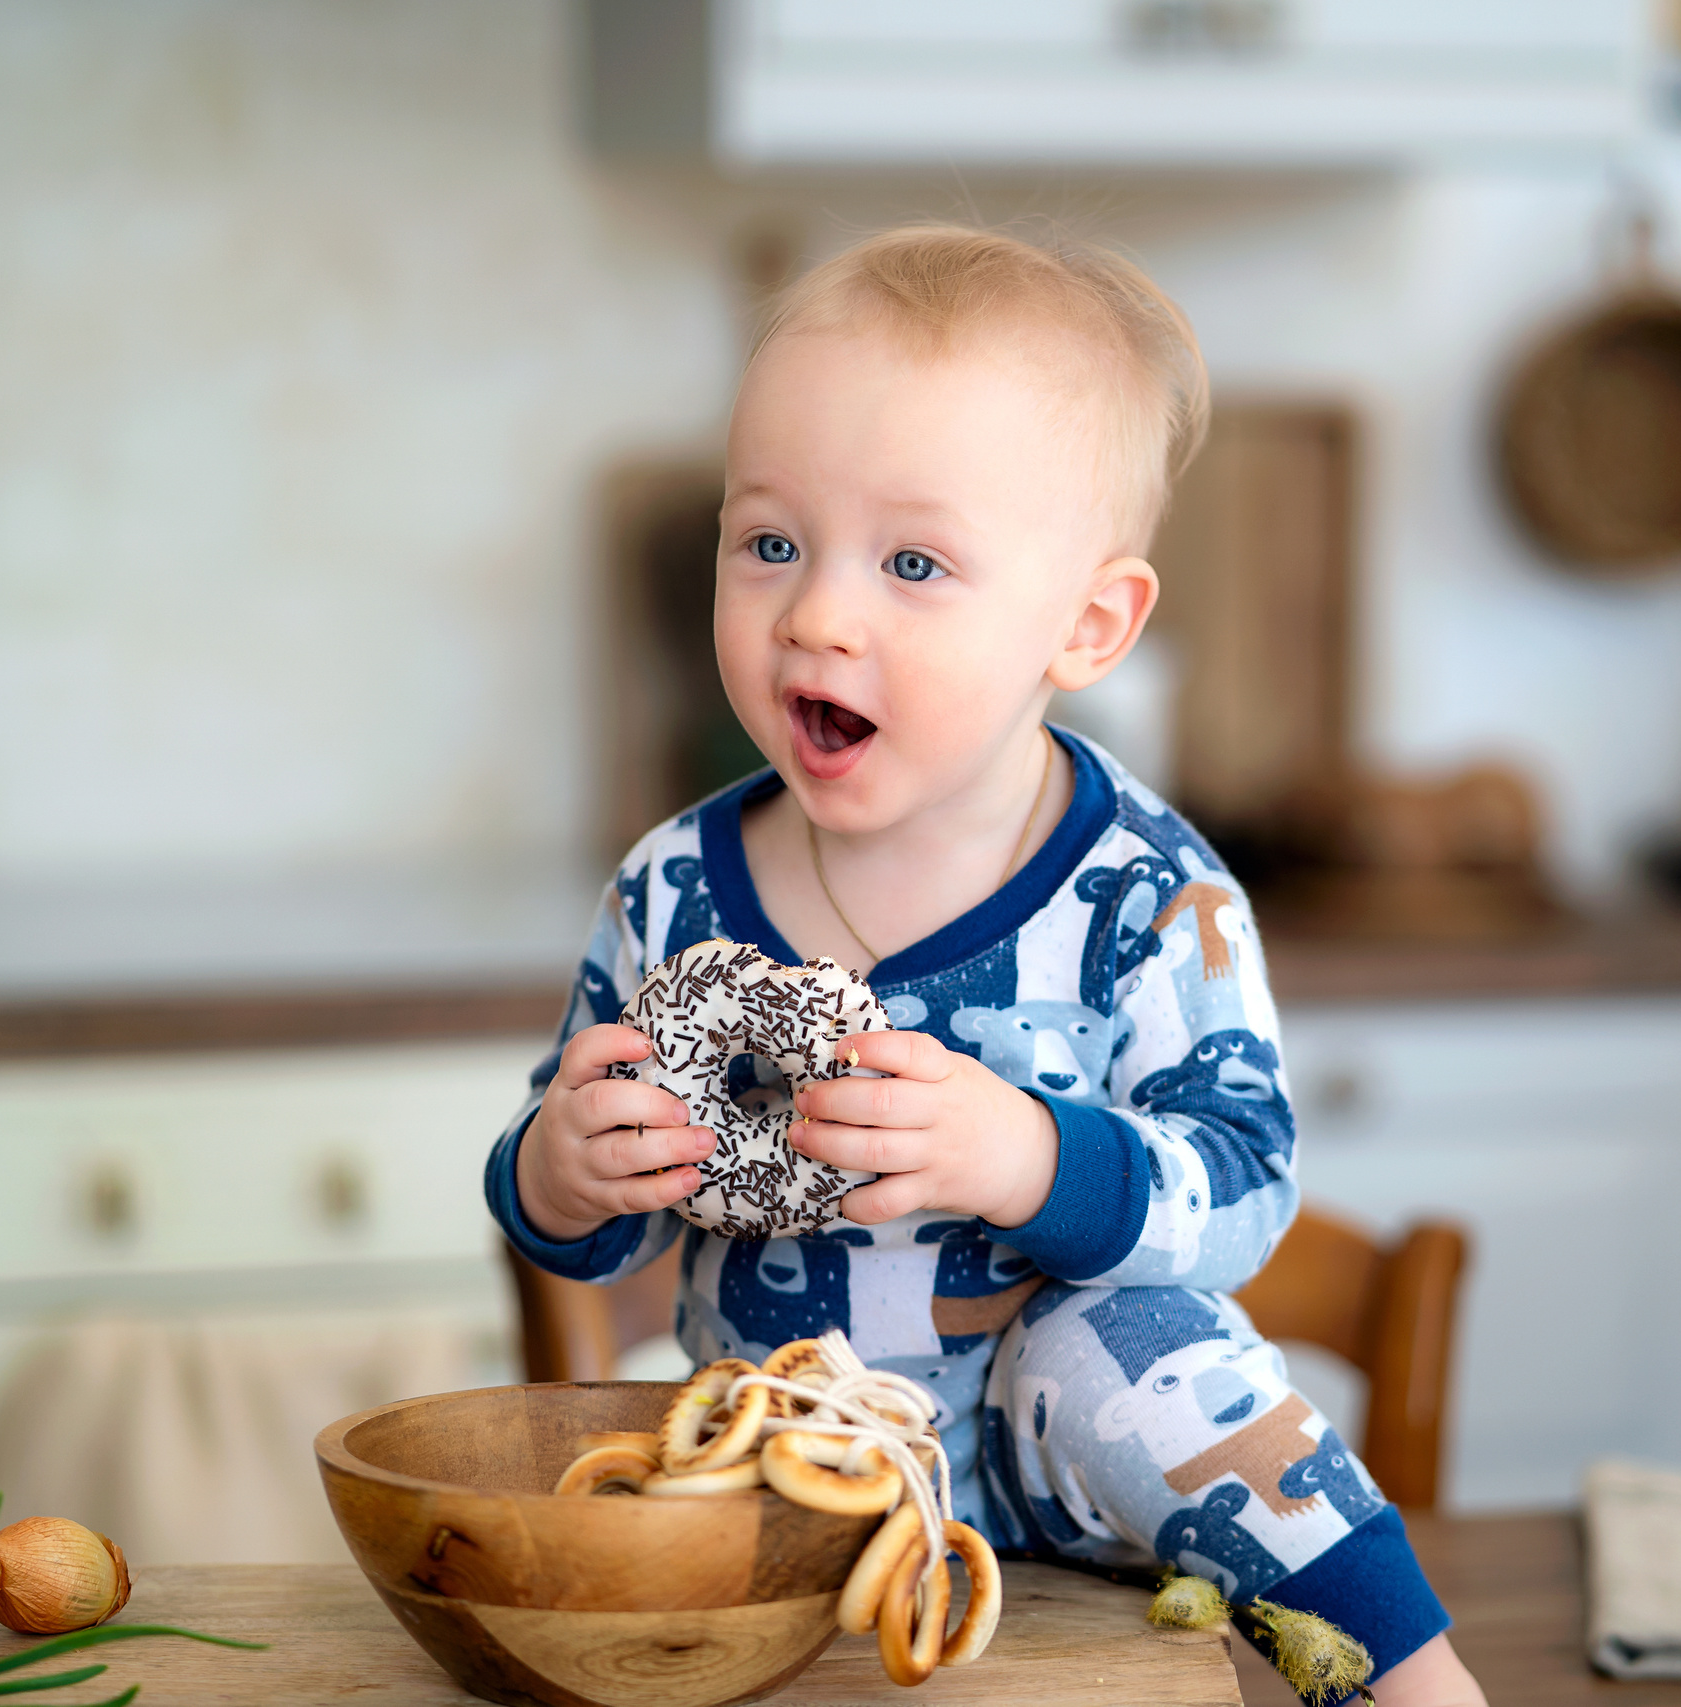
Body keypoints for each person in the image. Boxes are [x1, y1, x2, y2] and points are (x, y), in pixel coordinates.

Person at [487, 223, 1485, 1705]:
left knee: (1150, 1350)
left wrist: (1026, 1156)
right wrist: (564, 1173)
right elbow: (586, 1221)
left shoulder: (1150, 899)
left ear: (1086, 624)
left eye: (912, 562)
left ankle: (1411, 1684)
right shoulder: (674, 890)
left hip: (1073, 1482)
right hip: (787, 1489)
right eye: (770, 542)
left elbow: (1245, 1190)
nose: (819, 613)